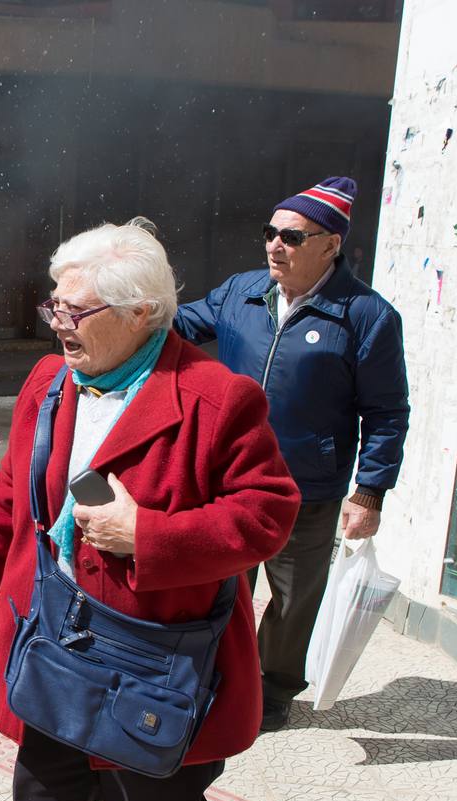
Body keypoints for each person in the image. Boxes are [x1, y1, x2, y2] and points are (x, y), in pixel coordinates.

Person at [0, 219, 300, 801]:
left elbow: (267, 514)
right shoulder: (51, 381)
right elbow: (16, 480)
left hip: (147, 662)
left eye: (77, 310)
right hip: (52, 640)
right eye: (55, 304)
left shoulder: (218, 398)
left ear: (142, 313)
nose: (59, 324)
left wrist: (152, 536)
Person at [174, 177, 409, 732]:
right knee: (219, 585)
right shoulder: (241, 291)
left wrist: (370, 491)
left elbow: (386, 412)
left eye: (292, 237)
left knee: (294, 597)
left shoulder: (367, 316)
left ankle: (271, 691)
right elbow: (177, 325)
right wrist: (131, 304)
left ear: (331, 245)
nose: (275, 246)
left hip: (307, 488)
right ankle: (208, 680)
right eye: (271, 234)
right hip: (225, 477)